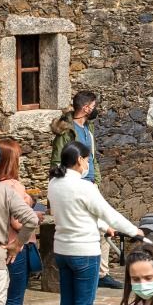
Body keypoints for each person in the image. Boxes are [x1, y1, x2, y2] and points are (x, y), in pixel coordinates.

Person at [39, 139, 139, 305]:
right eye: (87, 159)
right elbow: (108, 212)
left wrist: (103, 227)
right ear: (80, 160)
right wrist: (135, 231)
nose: (88, 164)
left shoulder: (54, 183)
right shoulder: (86, 187)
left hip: (63, 250)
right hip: (85, 251)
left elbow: (79, 213)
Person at [51, 90, 116, 288]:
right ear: (86, 107)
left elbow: (92, 158)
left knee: (103, 225)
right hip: (73, 184)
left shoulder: (88, 128)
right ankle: (85, 269)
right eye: (94, 105)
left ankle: (102, 273)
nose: (95, 109)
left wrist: (96, 178)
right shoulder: (66, 131)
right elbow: (57, 161)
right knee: (96, 223)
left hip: (90, 184)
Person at [0, 139, 43, 305]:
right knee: (12, 304)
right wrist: (36, 215)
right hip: (16, 248)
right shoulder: (14, 186)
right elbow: (18, 221)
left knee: (0, 304)